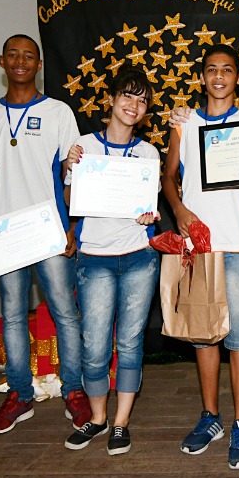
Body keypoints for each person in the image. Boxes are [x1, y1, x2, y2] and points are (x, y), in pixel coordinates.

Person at [0, 34, 88, 435]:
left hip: (48, 228)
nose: (21, 61)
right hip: (5, 232)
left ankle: (74, 390)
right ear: (2, 61)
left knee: (64, 313)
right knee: (14, 315)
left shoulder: (58, 112)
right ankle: (20, 394)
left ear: (39, 64)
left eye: (29, 56)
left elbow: (73, 174)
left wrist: (73, 225)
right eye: (13, 55)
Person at [162, 45, 239, 469]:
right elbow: (169, 176)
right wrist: (180, 210)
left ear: (238, 77)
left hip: (237, 244)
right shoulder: (184, 123)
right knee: (204, 334)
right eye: (211, 69)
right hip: (198, 245)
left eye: (227, 70)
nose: (219, 76)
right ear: (202, 77)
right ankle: (210, 417)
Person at [62, 70, 162, 455]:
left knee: (131, 342)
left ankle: (121, 423)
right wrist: (70, 167)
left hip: (139, 257)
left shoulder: (148, 153)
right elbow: (70, 200)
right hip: (94, 258)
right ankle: (98, 417)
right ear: (111, 99)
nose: (133, 106)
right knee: (94, 344)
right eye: (127, 96)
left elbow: (149, 207)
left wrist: (149, 215)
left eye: (142, 101)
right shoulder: (84, 146)